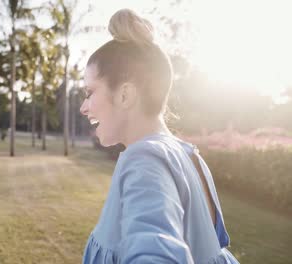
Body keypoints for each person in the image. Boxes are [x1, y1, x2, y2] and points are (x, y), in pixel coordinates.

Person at [79, 9, 239, 264]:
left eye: (89, 92)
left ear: (124, 95)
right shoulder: (191, 156)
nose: (83, 107)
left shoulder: (143, 158)